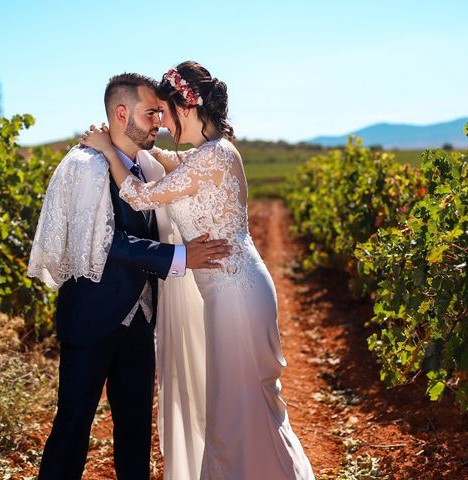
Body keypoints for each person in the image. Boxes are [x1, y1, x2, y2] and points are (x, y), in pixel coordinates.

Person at [80, 61, 315, 480]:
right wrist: (134, 142)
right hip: (231, 291)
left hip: (234, 297)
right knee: (240, 405)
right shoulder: (211, 154)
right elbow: (172, 159)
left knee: (238, 409)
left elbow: (137, 195)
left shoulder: (212, 159)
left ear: (184, 107)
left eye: (164, 112)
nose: (162, 122)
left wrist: (105, 149)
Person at [29, 72, 230, 480]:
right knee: (72, 428)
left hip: (140, 319)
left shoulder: (145, 164)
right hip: (91, 320)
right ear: (122, 113)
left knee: (136, 431)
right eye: (151, 112)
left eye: (160, 111)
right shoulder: (85, 166)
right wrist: (179, 256)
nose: (160, 120)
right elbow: (104, 243)